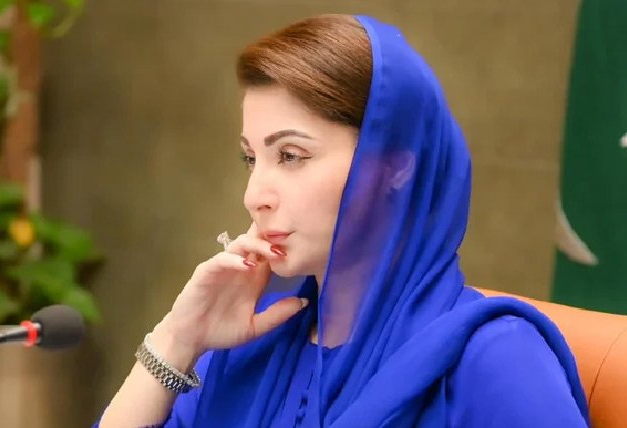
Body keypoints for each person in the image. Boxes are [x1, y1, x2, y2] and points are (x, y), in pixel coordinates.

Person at [96, 14, 589, 427]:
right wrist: (177, 338)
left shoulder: (496, 357)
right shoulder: (250, 342)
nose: (254, 197)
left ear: (395, 166)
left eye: (291, 155)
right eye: (251, 158)